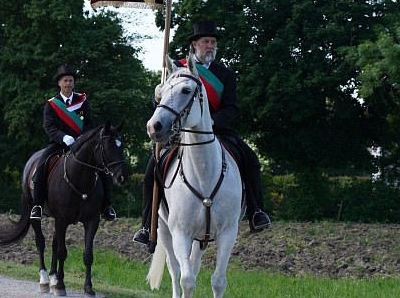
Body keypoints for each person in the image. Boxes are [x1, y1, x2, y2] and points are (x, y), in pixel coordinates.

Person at [133, 20, 272, 245]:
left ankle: (257, 212)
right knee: (151, 171)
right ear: (194, 46)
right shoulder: (177, 68)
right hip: (179, 134)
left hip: (216, 131)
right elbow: (162, 103)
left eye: (213, 42)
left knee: (251, 160)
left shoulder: (225, 75)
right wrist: (156, 95)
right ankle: (147, 226)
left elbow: (231, 107)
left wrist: (212, 123)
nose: (210, 46)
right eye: (206, 42)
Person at [29, 64, 117, 221]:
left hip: (82, 143)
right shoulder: (51, 104)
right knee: (42, 165)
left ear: (74, 83)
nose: (68, 84)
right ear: (59, 83)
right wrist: (64, 137)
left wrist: (83, 137)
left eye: (70, 80)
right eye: (65, 81)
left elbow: (89, 122)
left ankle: (106, 206)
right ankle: (37, 205)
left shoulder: (82, 101)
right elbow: (49, 127)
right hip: (59, 143)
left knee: (102, 167)